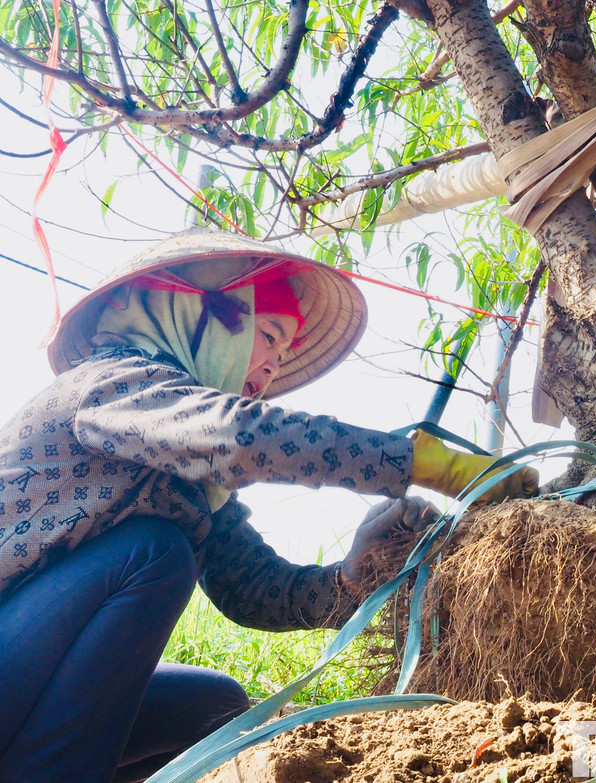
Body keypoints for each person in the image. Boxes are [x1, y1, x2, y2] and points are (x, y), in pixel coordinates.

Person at [0, 230, 539, 782]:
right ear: (197, 313)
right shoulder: (108, 385)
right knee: (152, 553)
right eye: (270, 336)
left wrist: (349, 580)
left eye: (283, 356)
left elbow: (249, 587)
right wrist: (428, 464)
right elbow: (240, 439)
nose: (270, 372)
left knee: (213, 705)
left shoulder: (185, 480)